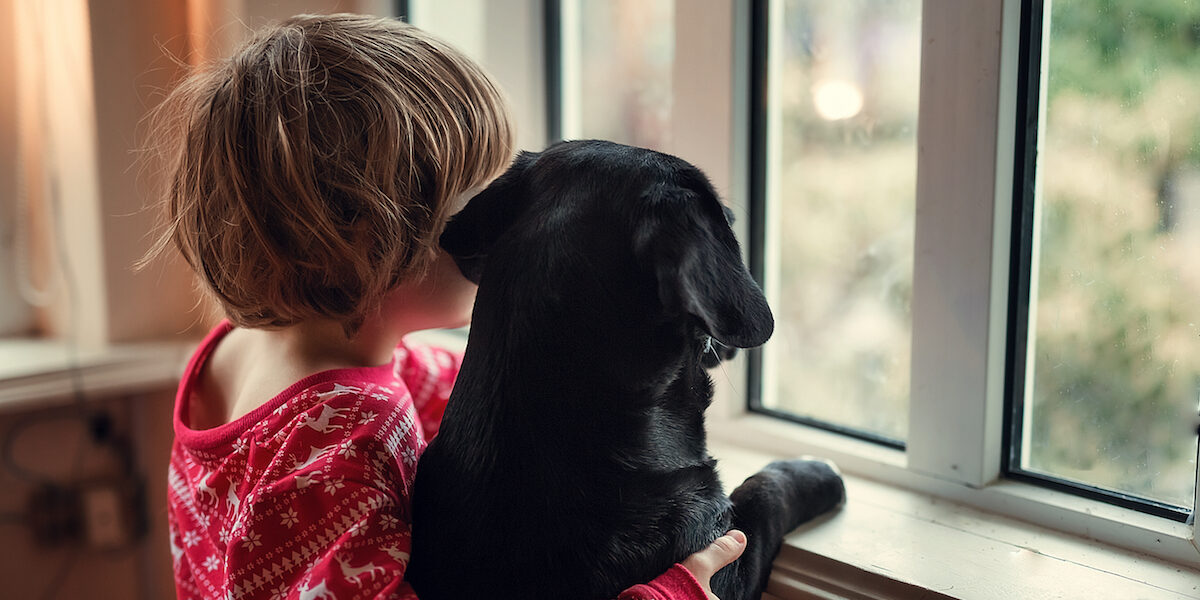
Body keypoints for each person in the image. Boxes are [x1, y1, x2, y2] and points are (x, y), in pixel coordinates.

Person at [146, 13, 747, 600]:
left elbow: (415, 380)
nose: (512, 220)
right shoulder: (353, 442)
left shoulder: (235, 351)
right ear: (367, 237)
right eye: (483, 198)